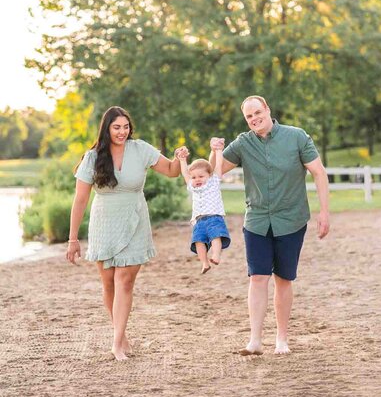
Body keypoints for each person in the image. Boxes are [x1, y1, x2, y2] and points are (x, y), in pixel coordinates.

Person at [210, 95, 330, 356]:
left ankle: (281, 339)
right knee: (258, 277)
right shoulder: (243, 143)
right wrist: (215, 150)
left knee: (284, 279)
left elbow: (319, 172)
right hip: (257, 221)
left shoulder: (296, 137)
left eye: (257, 112)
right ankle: (254, 340)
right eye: (248, 116)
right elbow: (214, 173)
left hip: (291, 220)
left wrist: (324, 212)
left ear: (267, 110)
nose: (254, 119)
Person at [66, 106, 186, 361]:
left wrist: (180, 158)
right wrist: (73, 239)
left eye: (125, 127)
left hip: (134, 219)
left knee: (125, 280)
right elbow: (80, 199)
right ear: (107, 129)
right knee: (108, 283)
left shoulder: (141, 149)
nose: (122, 132)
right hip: (104, 222)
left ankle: (116, 343)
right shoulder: (92, 157)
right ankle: (122, 336)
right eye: (116, 127)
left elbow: (172, 171)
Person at [176, 147, 231, 274]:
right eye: (194, 177)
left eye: (201, 176)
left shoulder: (214, 182)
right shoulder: (192, 186)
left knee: (216, 236)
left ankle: (216, 256)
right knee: (198, 242)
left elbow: (219, 165)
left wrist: (218, 152)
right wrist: (182, 160)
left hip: (214, 218)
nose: (197, 179)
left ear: (209, 175)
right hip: (198, 221)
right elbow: (185, 173)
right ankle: (205, 263)